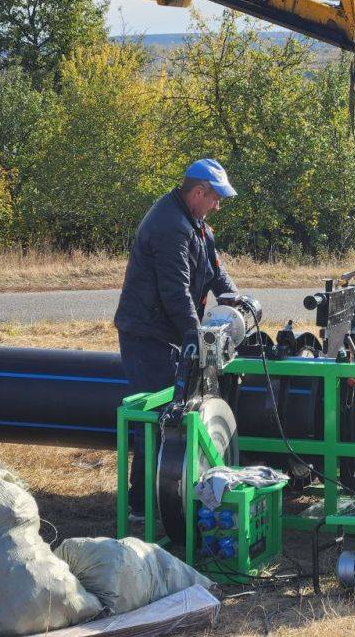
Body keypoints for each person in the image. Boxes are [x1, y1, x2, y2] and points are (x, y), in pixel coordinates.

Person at [114, 158, 239, 518]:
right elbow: (175, 292)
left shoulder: (197, 225)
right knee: (156, 414)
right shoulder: (170, 225)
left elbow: (217, 275)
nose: (218, 206)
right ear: (198, 192)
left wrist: (240, 303)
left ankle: (174, 491)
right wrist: (195, 336)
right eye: (215, 198)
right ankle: (143, 503)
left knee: (178, 411)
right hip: (148, 335)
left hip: (169, 333)